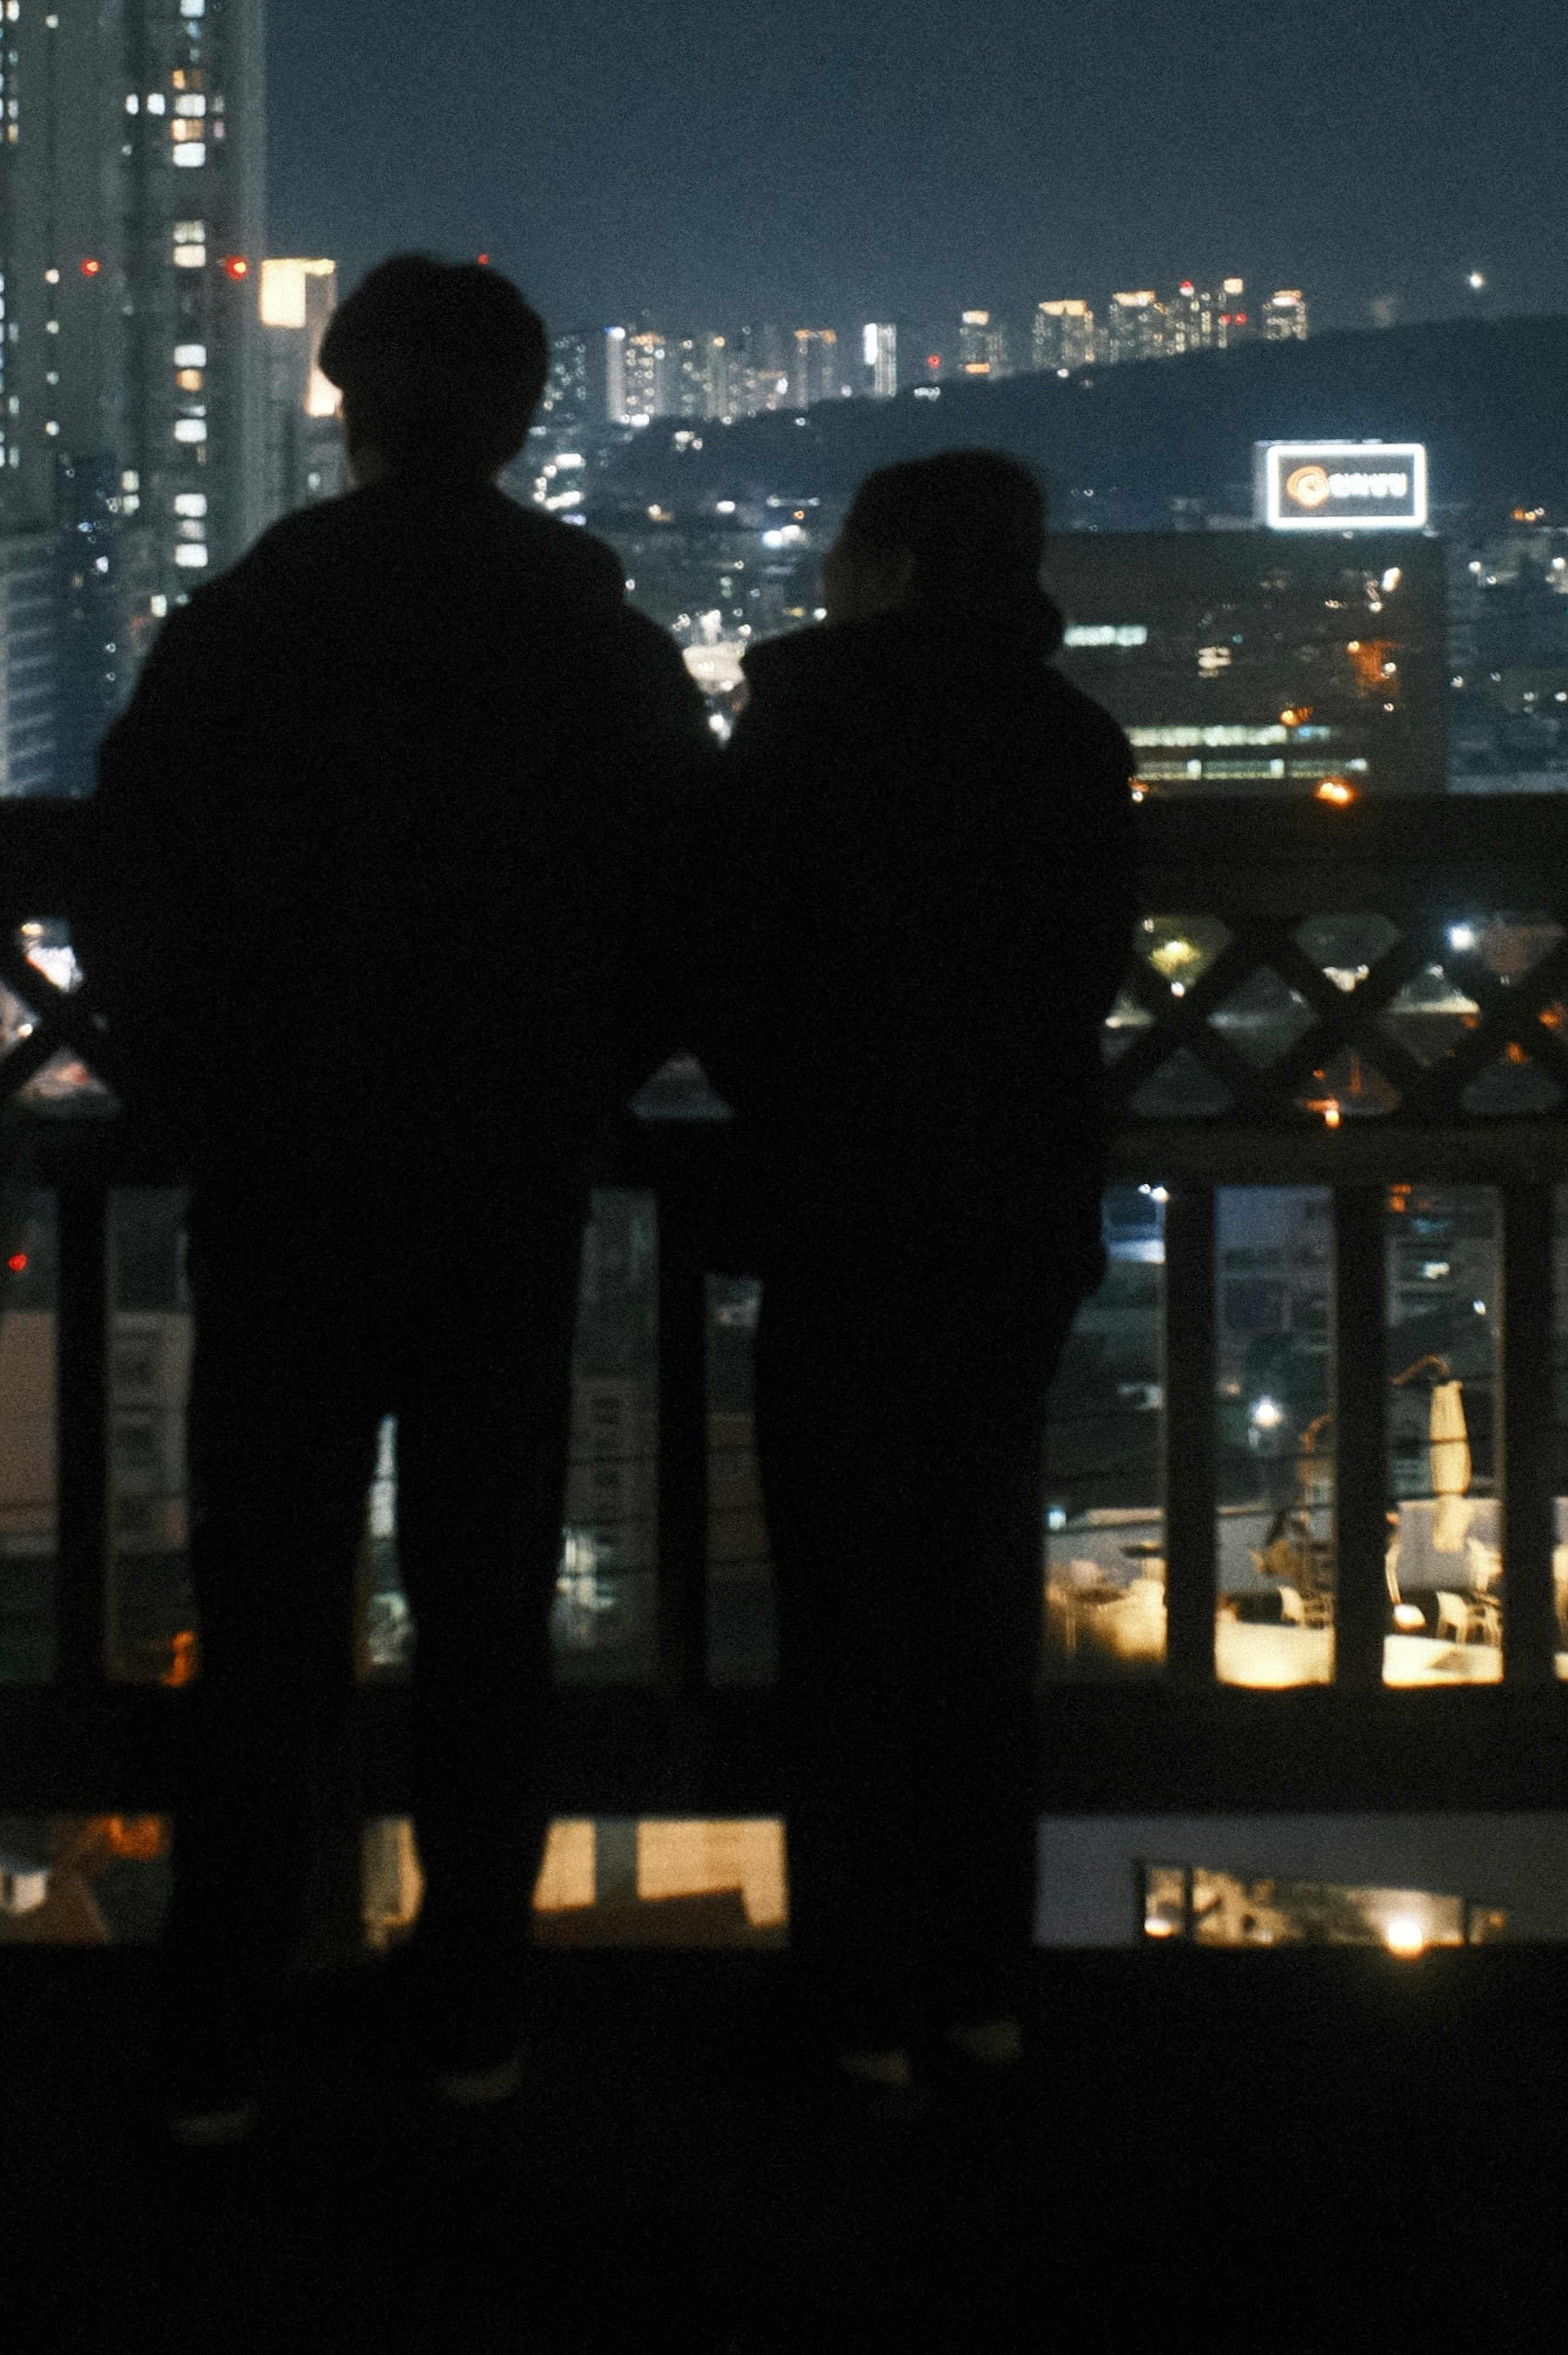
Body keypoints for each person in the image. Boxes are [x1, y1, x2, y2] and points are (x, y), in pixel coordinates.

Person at [81, 256, 708, 2144]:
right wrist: (580, 1075)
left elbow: (135, 881)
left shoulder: (253, 623)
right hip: (505, 1182)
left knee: (263, 1610)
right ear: (522, 419)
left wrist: (203, 1088)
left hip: (284, 1179)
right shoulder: (586, 632)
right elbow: (686, 896)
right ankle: (474, 2008)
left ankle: (217, 2027)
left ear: (348, 406)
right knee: (488, 1601)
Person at [696, 449, 1135, 2097]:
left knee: (846, 1607)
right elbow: (1082, 974)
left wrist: (790, 1078)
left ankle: (859, 1995)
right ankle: (981, 1981)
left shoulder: (807, 725)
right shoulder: (1073, 740)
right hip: (1011, 1213)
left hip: (836, 1203)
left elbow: (727, 963)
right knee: (972, 1599)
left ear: (879, 567)